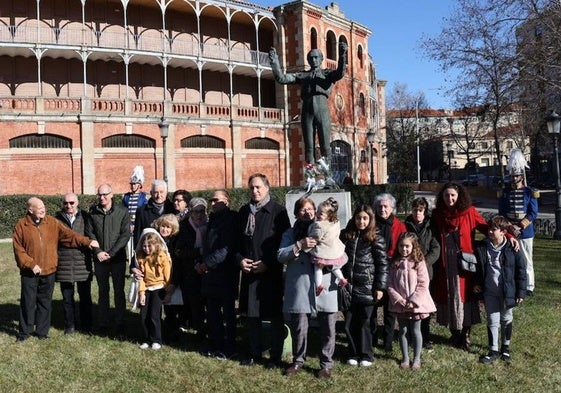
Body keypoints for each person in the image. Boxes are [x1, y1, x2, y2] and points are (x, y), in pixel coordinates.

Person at [431, 182, 517, 350]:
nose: (450, 199)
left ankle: (466, 334)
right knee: (449, 296)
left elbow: (487, 228)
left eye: (453, 195)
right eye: (446, 195)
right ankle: (454, 333)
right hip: (444, 264)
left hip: (465, 264)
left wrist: (508, 235)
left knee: (465, 298)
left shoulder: (469, 212)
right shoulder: (437, 215)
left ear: (459, 196)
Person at [13, 197, 98, 342]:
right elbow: (18, 250)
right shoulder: (21, 225)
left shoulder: (52, 222)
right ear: (30, 210)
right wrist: (31, 264)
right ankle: (24, 333)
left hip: (49, 270)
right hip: (29, 272)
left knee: (45, 302)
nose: (42, 209)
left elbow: (69, 235)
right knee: (28, 302)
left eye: (43, 206)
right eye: (38, 207)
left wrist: (87, 242)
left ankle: (42, 331)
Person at [278, 197, 343, 379]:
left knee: (329, 327)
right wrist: (299, 245)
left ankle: (326, 364)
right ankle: (298, 361)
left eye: (310, 209)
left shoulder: (326, 227)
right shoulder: (290, 233)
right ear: (296, 213)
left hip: (325, 284)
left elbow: (340, 251)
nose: (307, 212)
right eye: (302, 210)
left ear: (316, 211)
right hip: (300, 286)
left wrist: (333, 262)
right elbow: (280, 255)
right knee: (300, 327)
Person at [236, 173, 290, 368]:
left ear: (267, 187)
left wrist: (268, 262)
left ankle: (275, 356)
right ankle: (254, 352)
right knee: (252, 316)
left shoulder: (278, 211)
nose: (255, 191)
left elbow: (283, 242)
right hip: (249, 272)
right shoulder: (243, 212)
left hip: (270, 272)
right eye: (251, 187)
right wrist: (240, 260)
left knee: (274, 316)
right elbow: (236, 242)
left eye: (258, 187)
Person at [269, 42, 347, 163]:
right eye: (311, 58)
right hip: (307, 110)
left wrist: (342, 55)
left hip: (322, 109)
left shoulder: (327, 74)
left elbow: (340, 73)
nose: (313, 60)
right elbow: (282, 78)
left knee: (325, 145)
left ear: (321, 59)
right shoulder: (303, 75)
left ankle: (327, 176)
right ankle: (310, 176)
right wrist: (274, 62)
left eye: (316, 57)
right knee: (309, 146)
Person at [473, 215, 527, 364]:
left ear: (503, 232)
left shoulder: (512, 248)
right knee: (492, 320)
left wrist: (521, 292)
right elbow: (478, 269)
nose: (490, 232)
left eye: (494, 229)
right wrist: (477, 284)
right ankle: (493, 350)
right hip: (490, 291)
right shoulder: (483, 247)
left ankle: (505, 348)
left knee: (506, 318)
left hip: (507, 292)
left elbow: (521, 271)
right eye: (489, 228)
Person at [341, 204, 388, 367]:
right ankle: (353, 353)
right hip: (348, 287)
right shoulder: (347, 236)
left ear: (370, 219)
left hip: (367, 288)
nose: (361, 221)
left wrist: (380, 287)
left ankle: (366, 354)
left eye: (365, 218)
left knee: (365, 322)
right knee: (349, 323)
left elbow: (382, 264)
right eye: (358, 218)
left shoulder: (376, 238)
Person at [198, 190, 240, 359]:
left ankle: (230, 347)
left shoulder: (231, 218)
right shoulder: (213, 219)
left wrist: (206, 263)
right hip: (211, 274)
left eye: (217, 200)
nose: (213, 203)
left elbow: (226, 248)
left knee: (228, 313)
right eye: (211, 201)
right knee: (213, 311)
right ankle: (215, 343)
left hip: (226, 272)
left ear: (227, 201)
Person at [387, 232, 436, 371]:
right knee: (402, 330)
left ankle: (416, 359)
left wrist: (414, 301)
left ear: (413, 247)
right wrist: (398, 299)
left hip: (415, 306)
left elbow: (423, 283)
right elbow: (389, 283)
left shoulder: (419, 262)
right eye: (401, 246)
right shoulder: (394, 262)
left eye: (407, 246)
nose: (404, 249)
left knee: (416, 331)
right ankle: (405, 358)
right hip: (400, 304)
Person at [85, 183, 130, 336]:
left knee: (119, 291)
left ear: (112, 195)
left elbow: (125, 235)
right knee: (103, 291)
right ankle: (103, 322)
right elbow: (89, 233)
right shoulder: (93, 213)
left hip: (117, 259)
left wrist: (111, 253)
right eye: (99, 195)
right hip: (99, 259)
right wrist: (98, 252)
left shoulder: (122, 212)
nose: (102, 197)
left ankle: (120, 322)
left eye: (105, 194)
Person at [498, 148, 538, 295]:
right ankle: (513, 283)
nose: (514, 179)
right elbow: (501, 213)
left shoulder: (530, 192)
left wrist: (520, 226)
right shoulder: (504, 192)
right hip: (509, 231)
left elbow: (533, 213)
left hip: (525, 231)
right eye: (512, 176)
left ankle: (529, 285)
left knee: (527, 259)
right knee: (510, 259)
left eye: (516, 176)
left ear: (522, 176)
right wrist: (510, 227)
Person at [404, 197, 440, 349]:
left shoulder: (431, 227)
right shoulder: (406, 225)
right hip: (408, 272)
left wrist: (424, 263)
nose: (417, 213)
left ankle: (425, 336)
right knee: (410, 303)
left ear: (425, 212)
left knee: (424, 305)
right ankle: (410, 336)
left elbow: (436, 248)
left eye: (420, 210)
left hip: (426, 271)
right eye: (415, 210)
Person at [55, 193, 94, 335]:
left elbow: (90, 236)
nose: (68, 206)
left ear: (77, 203)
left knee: (85, 297)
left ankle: (87, 325)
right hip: (64, 262)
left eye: (71, 203)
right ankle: (69, 325)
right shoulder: (56, 219)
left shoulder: (85, 217)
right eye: (65, 203)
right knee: (67, 298)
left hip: (82, 262)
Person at [372, 193, 406, 352]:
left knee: (390, 308)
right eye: (379, 206)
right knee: (372, 306)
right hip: (373, 269)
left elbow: (404, 246)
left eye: (386, 206)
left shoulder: (399, 225)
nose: (382, 209)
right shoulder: (371, 223)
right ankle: (371, 339)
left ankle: (387, 341)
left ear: (392, 208)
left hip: (392, 269)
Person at [171, 197, 208, 341]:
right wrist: (198, 252)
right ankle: (198, 329)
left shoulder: (209, 224)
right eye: (195, 211)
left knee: (207, 302)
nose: (199, 214)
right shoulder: (184, 227)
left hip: (207, 269)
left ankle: (208, 328)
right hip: (190, 270)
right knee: (194, 302)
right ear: (190, 212)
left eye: (202, 211)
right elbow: (179, 251)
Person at [136, 229, 173, 350]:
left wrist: (168, 292)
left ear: (156, 245)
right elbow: (141, 277)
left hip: (159, 288)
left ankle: (157, 339)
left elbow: (167, 276)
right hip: (146, 288)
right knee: (143, 316)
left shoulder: (162, 257)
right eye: (144, 246)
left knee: (154, 315)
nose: (146, 248)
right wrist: (141, 293)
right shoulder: (140, 257)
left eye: (149, 246)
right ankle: (146, 339)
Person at [307, 197, 348, 296]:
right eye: (318, 211)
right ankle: (342, 279)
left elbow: (314, 238)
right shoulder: (335, 222)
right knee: (335, 267)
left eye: (321, 214)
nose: (317, 214)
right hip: (334, 250)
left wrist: (306, 246)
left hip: (322, 252)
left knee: (318, 267)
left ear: (329, 216)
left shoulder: (320, 226)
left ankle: (319, 285)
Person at [122, 165, 149, 266]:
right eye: (132, 184)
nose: (132, 186)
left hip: (139, 226)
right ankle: (131, 265)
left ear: (140, 185)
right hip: (128, 226)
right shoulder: (126, 197)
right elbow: (124, 212)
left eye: (135, 184)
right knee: (129, 249)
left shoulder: (144, 197)